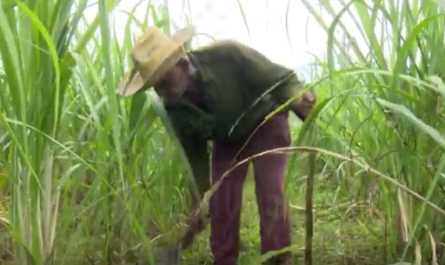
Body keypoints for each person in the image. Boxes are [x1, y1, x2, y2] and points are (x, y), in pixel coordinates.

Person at [117, 26, 316, 265]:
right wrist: (200, 200)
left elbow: (282, 79)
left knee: (270, 190)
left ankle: (278, 259)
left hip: (266, 121)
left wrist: (299, 98)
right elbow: (196, 156)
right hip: (228, 138)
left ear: (181, 65)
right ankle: (224, 260)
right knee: (221, 199)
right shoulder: (175, 106)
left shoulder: (227, 54)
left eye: (165, 81)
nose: (162, 92)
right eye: (156, 86)